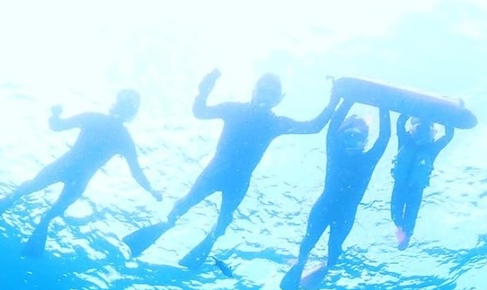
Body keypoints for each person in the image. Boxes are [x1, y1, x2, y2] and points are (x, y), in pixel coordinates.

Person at [124, 70, 338, 269]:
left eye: (272, 94)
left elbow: (313, 127)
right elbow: (200, 112)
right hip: (214, 173)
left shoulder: (275, 123)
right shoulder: (234, 110)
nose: (266, 96)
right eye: (263, 90)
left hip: (238, 181)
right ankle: (165, 226)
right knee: (183, 205)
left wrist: (334, 99)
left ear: (279, 99)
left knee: (224, 219)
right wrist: (205, 88)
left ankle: (211, 238)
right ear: (254, 90)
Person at [0, 89, 161, 257]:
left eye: (128, 103)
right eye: (124, 101)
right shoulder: (114, 132)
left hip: (70, 170)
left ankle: (11, 218)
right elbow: (57, 126)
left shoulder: (110, 129)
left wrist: (151, 189)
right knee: (33, 193)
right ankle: (5, 213)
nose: (124, 106)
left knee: (43, 203)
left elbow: (136, 172)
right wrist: (55, 114)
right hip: (74, 173)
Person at [279, 101, 391, 290]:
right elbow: (331, 130)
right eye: (348, 136)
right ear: (340, 138)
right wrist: (347, 100)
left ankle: (323, 269)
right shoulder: (335, 153)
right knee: (309, 240)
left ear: (365, 141)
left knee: (335, 247)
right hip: (325, 206)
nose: (352, 142)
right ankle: (300, 264)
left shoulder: (368, 160)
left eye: (358, 138)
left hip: (344, 214)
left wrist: (385, 105)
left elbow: (384, 137)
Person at [389, 114, 453, 250]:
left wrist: (449, 117)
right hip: (401, 186)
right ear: (412, 130)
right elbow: (400, 124)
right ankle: (402, 233)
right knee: (396, 215)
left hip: (415, 189)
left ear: (432, 134)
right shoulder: (405, 140)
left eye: (427, 131)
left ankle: (406, 235)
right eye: (419, 129)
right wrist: (409, 109)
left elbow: (448, 136)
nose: (423, 134)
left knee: (409, 217)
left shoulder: (432, 149)